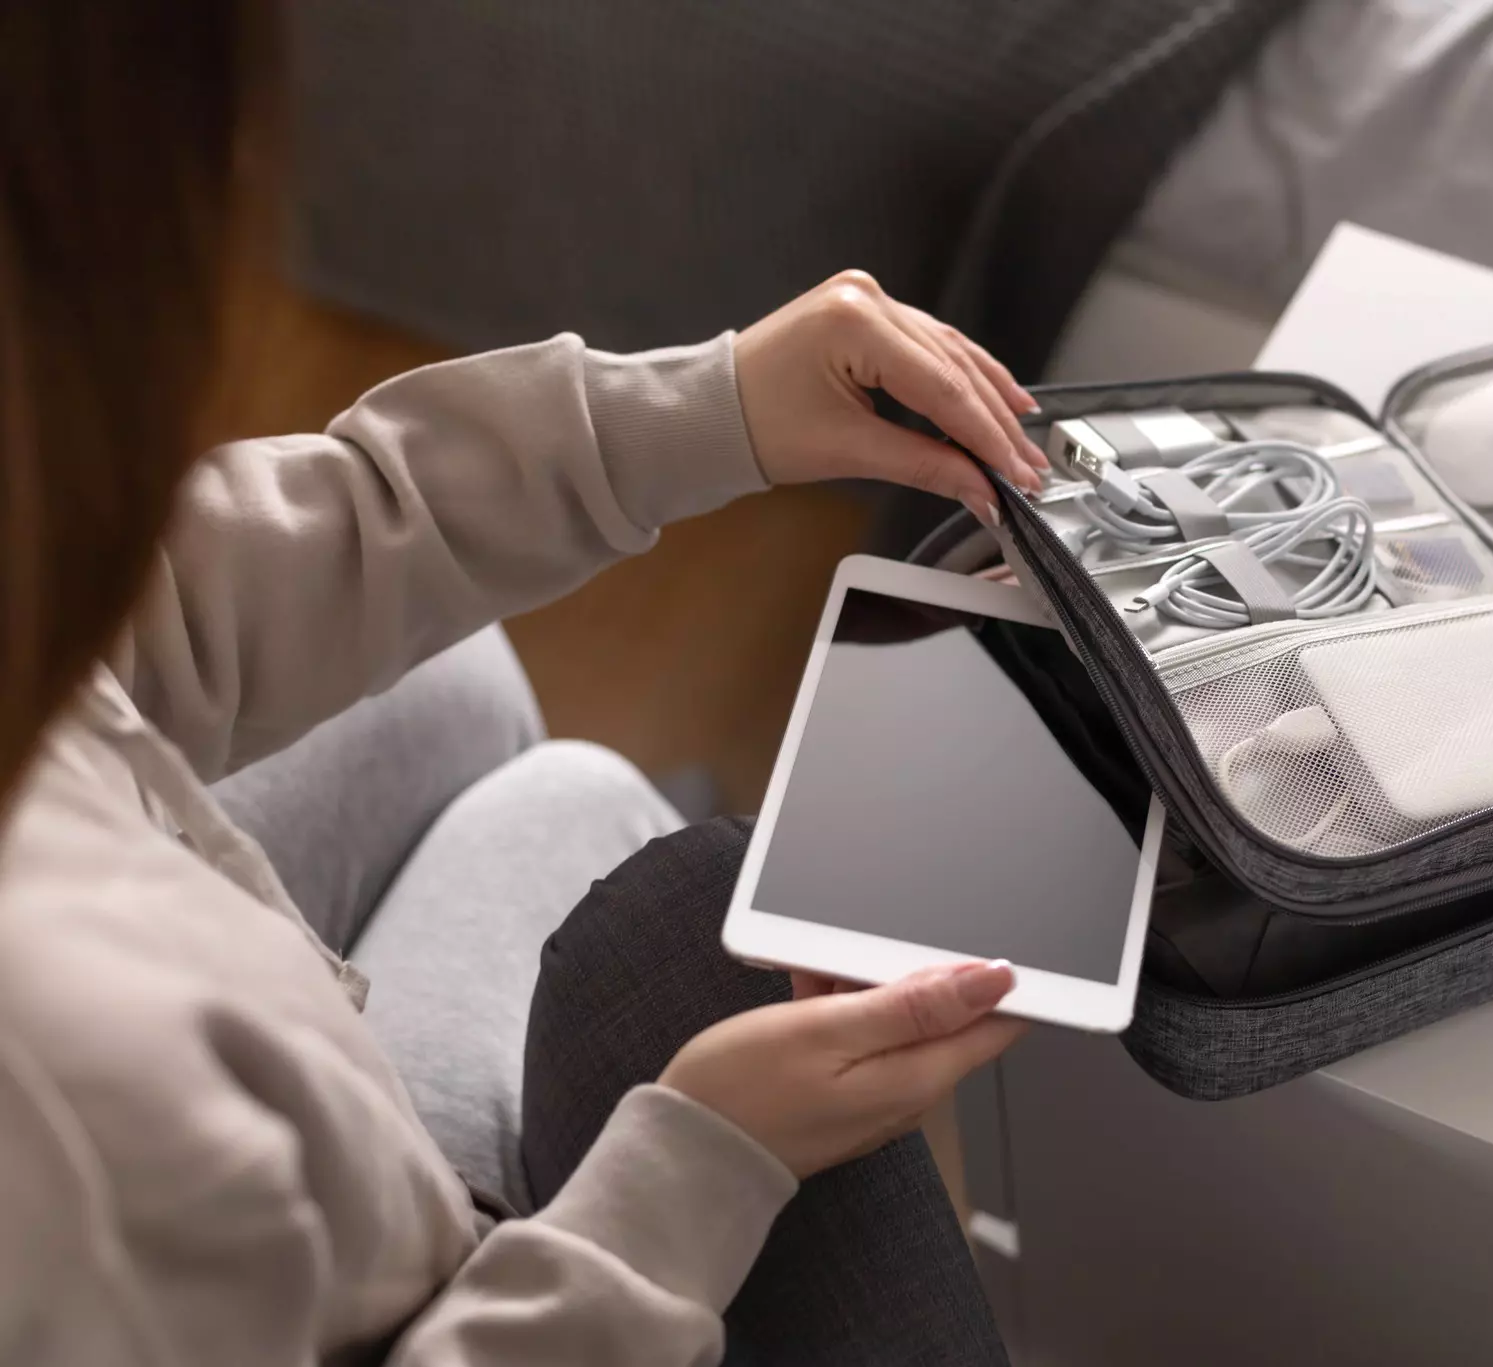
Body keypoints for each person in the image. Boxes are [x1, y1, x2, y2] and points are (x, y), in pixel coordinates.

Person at [0, 5, 1053, 1364]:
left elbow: (173, 605)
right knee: (616, 844)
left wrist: (703, 407)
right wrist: (695, 1172)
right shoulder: (75, 1121)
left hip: (245, 1127)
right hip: (394, 1292)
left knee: (462, 692)